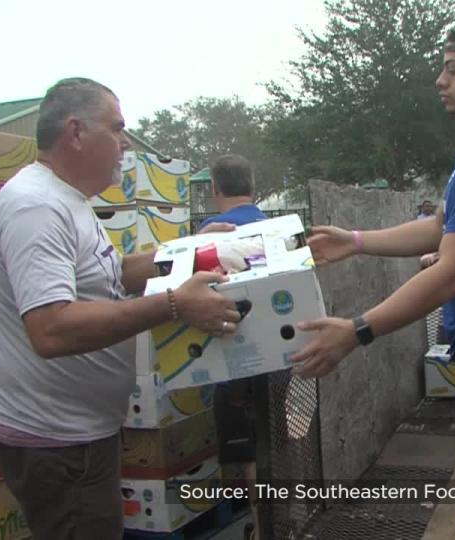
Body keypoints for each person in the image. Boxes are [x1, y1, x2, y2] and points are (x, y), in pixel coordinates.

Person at [291, 17, 455, 540]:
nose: (440, 80)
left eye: (452, 69)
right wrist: (358, 241)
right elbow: (441, 228)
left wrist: (358, 328)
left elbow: (452, 273)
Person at [0, 78, 242, 540]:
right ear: (76, 132)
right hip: (59, 442)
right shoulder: (36, 208)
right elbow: (52, 328)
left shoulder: (67, 200)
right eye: (116, 129)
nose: (123, 143)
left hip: (78, 434)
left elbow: (110, 273)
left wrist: (187, 250)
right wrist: (176, 304)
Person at [199, 154, 268, 540]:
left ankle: (259, 528)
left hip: (234, 357)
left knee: (245, 454)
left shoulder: (211, 232)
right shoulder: (274, 226)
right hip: (282, 357)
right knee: (273, 441)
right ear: (252, 185)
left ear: (214, 188)